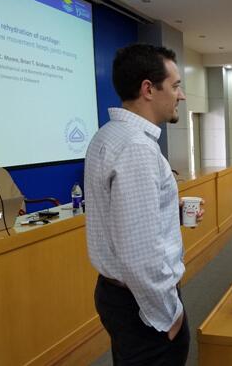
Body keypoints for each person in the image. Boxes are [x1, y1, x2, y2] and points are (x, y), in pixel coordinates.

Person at [85, 44, 200, 365]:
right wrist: (168, 314)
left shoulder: (107, 136)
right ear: (148, 89)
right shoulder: (137, 148)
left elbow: (119, 219)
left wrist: (171, 211)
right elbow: (140, 256)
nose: (181, 95)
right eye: (175, 86)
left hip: (117, 295)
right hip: (142, 304)